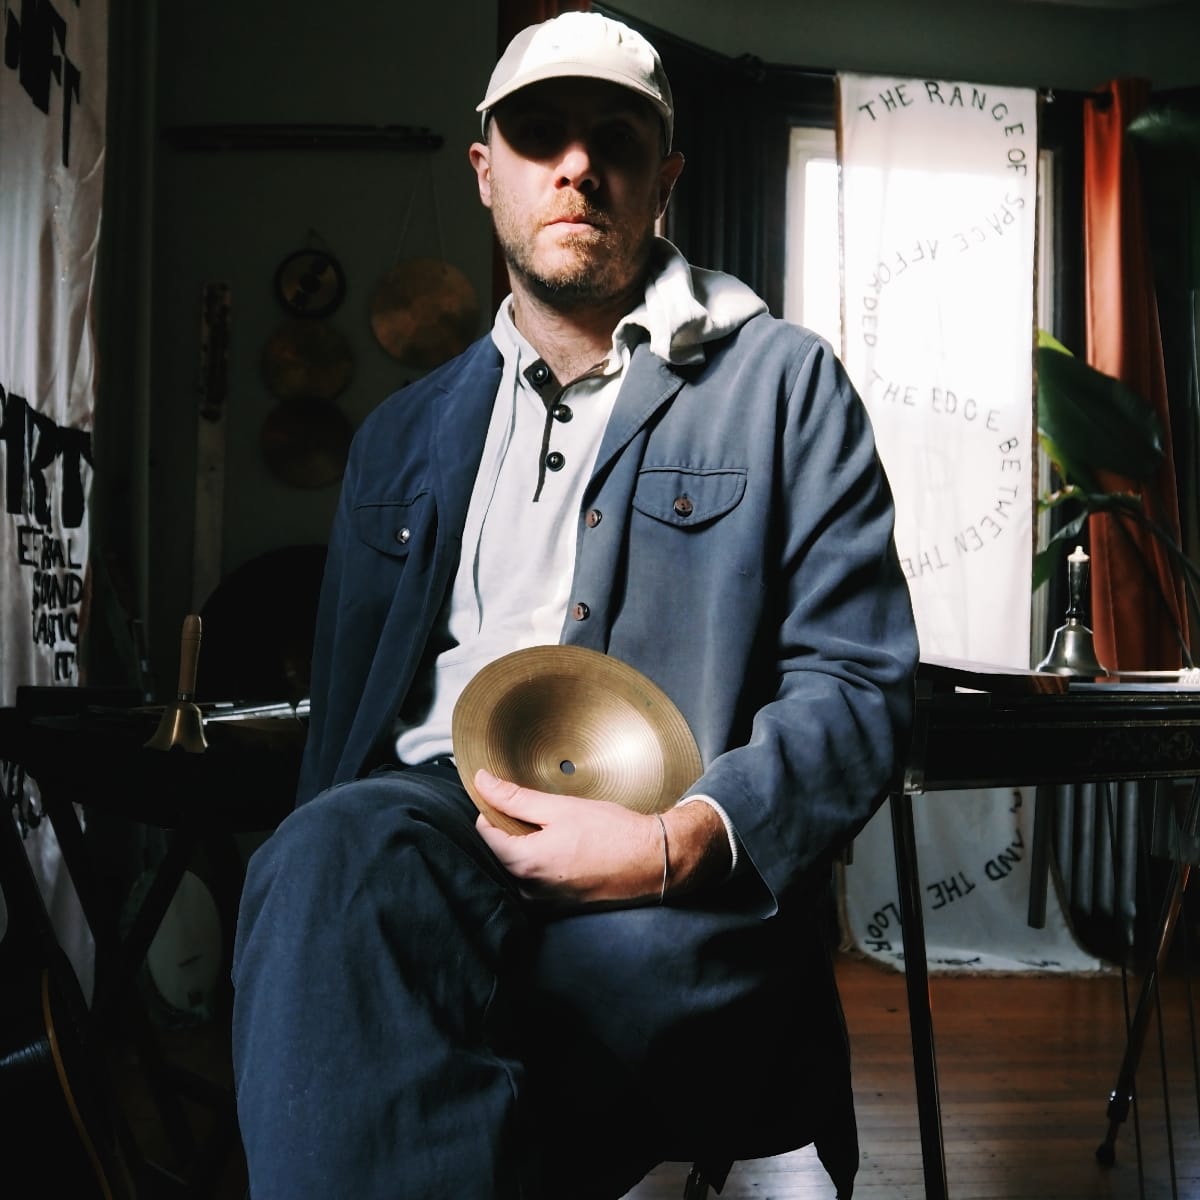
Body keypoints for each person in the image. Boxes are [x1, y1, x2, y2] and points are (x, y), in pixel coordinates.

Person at [231, 12, 918, 1200]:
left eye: (616, 140)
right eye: (539, 134)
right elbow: (344, 722)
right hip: (424, 823)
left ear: (666, 182)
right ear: (486, 170)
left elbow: (858, 688)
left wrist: (680, 840)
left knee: (489, 1018)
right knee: (317, 870)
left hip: (668, 858)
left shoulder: (786, 385)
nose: (577, 165)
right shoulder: (398, 435)